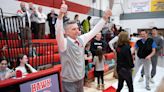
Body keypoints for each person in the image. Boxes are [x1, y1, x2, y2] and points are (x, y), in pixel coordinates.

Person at [55, 1, 112, 92]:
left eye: (77, 28)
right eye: (74, 29)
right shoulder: (64, 43)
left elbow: (94, 31)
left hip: (80, 80)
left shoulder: (81, 39)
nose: (77, 31)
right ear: (66, 32)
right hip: (69, 82)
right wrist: (61, 15)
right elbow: (58, 31)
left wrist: (105, 18)